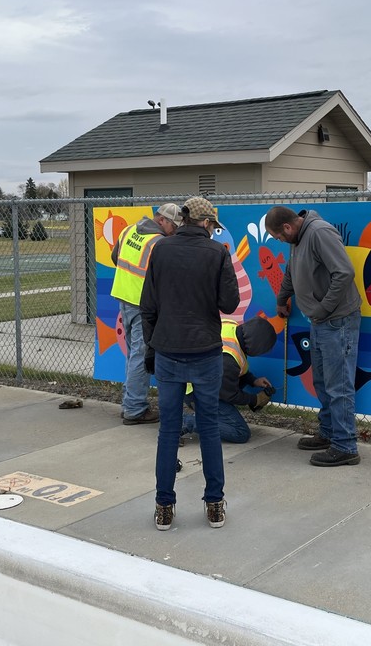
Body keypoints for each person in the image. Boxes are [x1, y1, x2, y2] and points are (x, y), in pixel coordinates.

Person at [141, 196, 239, 531]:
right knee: (209, 427)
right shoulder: (217, 252)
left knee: (168, 430)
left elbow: (148, 306)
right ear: (207, 223)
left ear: (183, 220)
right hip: (205, 349)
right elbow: (229, 303)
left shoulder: (162, 250)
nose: (213, 230)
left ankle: (164, 506)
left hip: (168, 349)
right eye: (213, 225)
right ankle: (214, 503)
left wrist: (150, 349)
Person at [264, 206, 362, 467]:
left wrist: (322, 309)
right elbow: (291, 272)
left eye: (278, 238)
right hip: (320, 322)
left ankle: (345, 446)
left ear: (287, 227)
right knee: (321, 381)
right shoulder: (298, 239)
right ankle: (329, 433)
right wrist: (282, 297)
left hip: (337, 320)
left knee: (338, 384)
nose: (280, 242)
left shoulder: (319, 233)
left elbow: (344, 273)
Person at [110, 203, 182, 424]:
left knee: (134, 355)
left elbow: (115, 258)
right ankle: (135, 409)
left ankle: (130, 402)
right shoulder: (159, 243)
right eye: (174, 226)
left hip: (124, 299)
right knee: (141, 357)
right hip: (143, 306)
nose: (176, 231)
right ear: (162, 220)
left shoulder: (128, 230)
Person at [180, 317, 277, 444]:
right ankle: (186, 421)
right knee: (240, 432)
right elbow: (230, 395)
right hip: (198, 394)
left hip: (197, 382)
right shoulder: (228, 360)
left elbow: (235, 372)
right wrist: (254, 400)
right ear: (256, 346)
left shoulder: (232, 327)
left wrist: (253, 380)